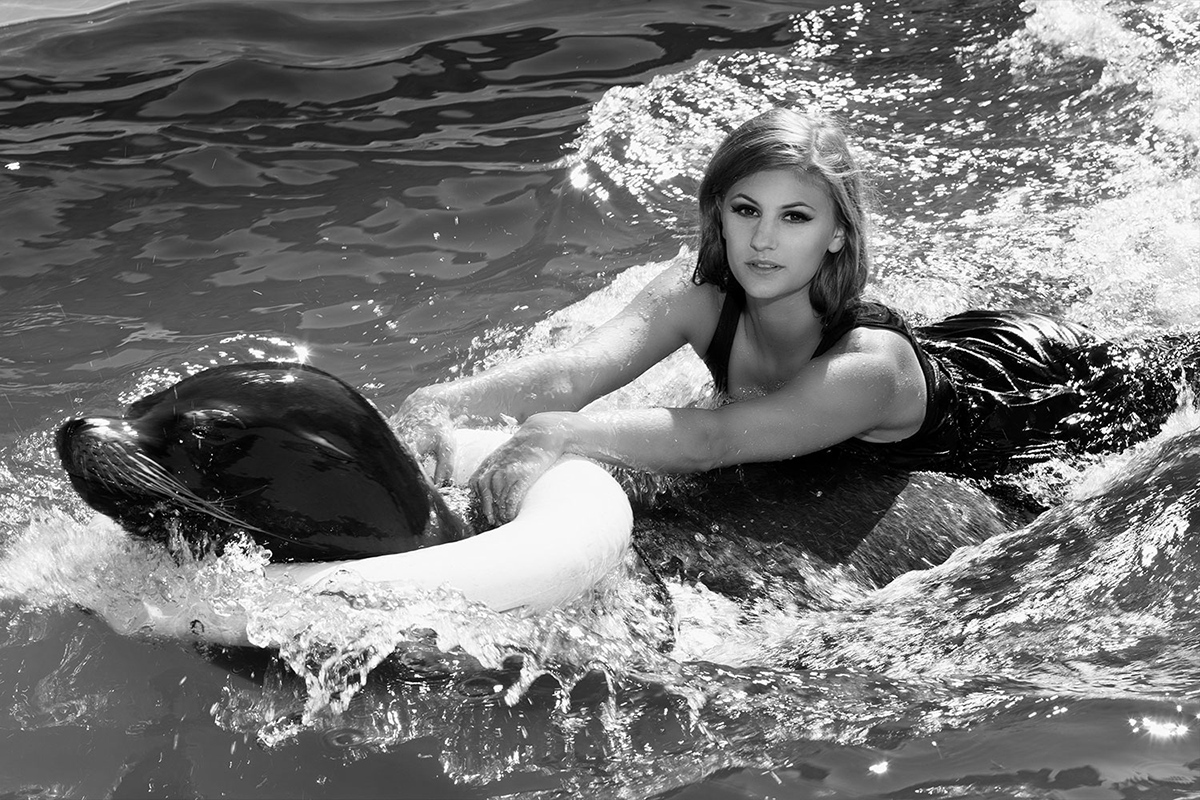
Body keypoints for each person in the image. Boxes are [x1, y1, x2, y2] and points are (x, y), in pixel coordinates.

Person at [392, 108, 1182, 525]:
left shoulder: (869, 370)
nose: (763, 240)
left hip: (1044, 393)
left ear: (837, 232)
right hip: (954, 355)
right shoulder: (699, 292)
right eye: (746, 210)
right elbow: (573, 372)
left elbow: (718, 439)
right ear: (719, 212)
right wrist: (433, 408)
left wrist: (560, 434)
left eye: (795, 217)